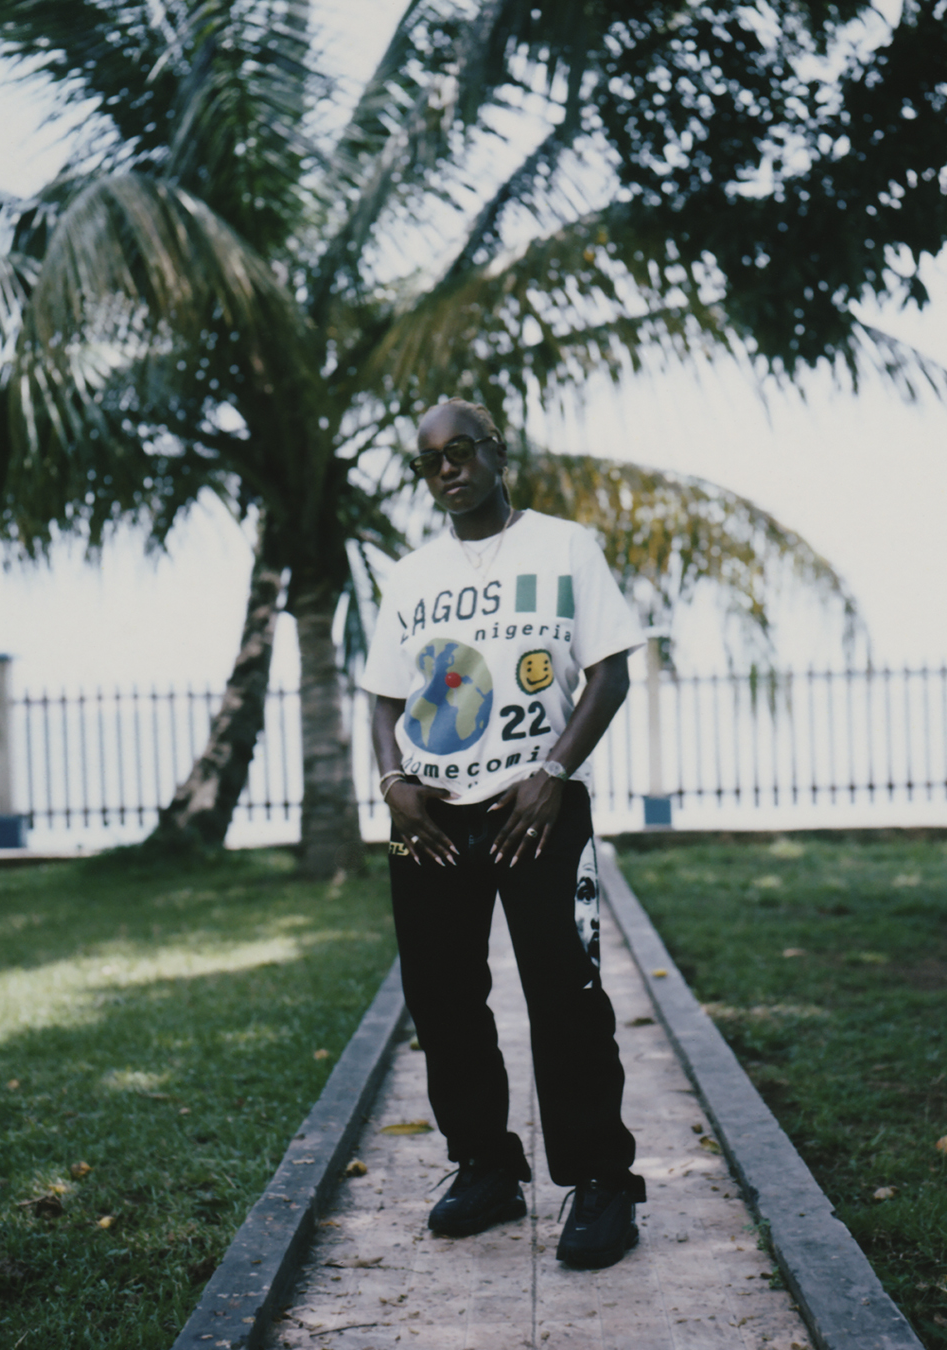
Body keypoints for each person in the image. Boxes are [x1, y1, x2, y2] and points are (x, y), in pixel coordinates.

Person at [361, 397, 646, 1269]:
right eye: (428, 460)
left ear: (495, 452)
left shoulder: (563, 546)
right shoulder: (409, 575)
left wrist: (552, 776)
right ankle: (485, 1167)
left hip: (538, 811)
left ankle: (600, 1182)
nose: (446, 468)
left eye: (460, 451)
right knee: (444, 1001)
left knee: (565, 995)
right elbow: (381, 697)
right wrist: (393, 785)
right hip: (432, 821)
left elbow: (608, 673)